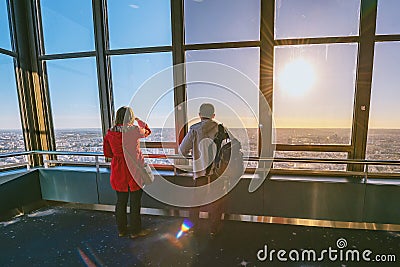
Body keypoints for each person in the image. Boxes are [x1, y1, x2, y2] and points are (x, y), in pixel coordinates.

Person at [179, 103, 227, 237]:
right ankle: (213, 230)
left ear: (199, 115)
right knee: (216, 202)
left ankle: (193, 228)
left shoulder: (194, 129)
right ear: (213, 115)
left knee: (196, 202)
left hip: (200, 173)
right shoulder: (221, 129)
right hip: (216, 172)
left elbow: (182, 150)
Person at [103, 106, 151, 238]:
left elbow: (108, 153)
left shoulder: (110, 133)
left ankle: (122, 230)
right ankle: (136, 231)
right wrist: (139, 120)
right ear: (130, 117)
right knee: (135, 203)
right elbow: (147, 131)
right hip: (134, 170)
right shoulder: (135, 130)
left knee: (121, 201)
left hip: (118, 170)